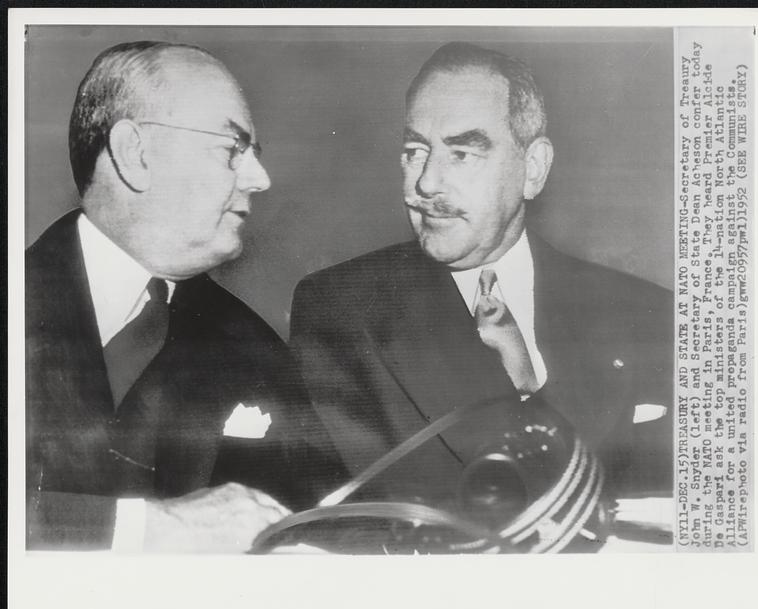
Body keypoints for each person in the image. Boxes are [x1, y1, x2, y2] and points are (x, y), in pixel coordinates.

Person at [290, 42, 673, 507]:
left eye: (462, 154)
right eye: (414, 151)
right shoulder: (341, 311)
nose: (426, 182)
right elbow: (347, 519)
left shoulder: (646, 313)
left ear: (533, 170)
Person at [26, 41, 344, 552]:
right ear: (136, 154)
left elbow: (322, 523)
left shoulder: (258, 351)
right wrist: (142, 530)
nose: (260, 180)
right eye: (232, 150)